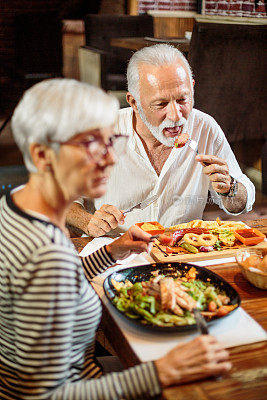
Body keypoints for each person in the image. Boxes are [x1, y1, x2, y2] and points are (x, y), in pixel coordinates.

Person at [0, 79, 231, 399]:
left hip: (84, 373)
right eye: (91, 146)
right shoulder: (44, 255)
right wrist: (162, 372)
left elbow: (53, 285)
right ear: (42, 155)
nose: (111, 158)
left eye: (111, 142)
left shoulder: (14, 206)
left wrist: (111, 251)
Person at [66, 44, 255, 237]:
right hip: (113, 252)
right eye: (161, 104)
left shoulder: (205, 127)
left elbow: (241, 202)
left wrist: (230, 188)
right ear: (134, 103)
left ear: (193, 88)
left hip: (181, 251)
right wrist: (88, 222)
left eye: (183, 100)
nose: (175, 115)